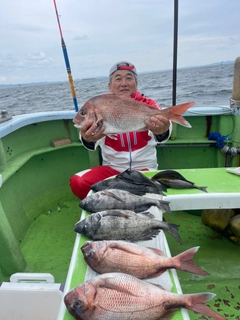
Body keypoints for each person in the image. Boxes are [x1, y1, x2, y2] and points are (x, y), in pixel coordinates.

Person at [70, 61, 172, 199]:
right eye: (118, 78)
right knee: (78, 183)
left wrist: (164, 129)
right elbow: (90, 141)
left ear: (136, 83)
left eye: (129, 78)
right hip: (112, 169)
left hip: (145, 168)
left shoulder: (149, 105)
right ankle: (114, 200)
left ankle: (120, 199)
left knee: (149, 198)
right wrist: (87, 138)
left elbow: (165, 131)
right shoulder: (100, 105)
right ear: (110, 86)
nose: (124, 83)